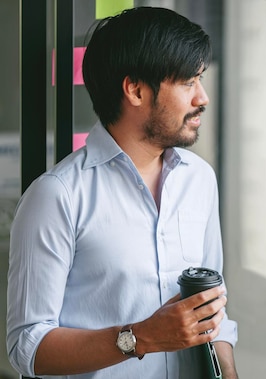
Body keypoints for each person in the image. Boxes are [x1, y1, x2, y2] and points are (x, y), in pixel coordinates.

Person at [6, 7, 238, 379]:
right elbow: (27, 347)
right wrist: (142, 338)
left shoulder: (200, 180)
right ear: (135, 90)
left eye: (201, 79)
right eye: (187, 82)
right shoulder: (57, 196)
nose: (203, 97)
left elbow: (212, 312)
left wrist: (228, 371)